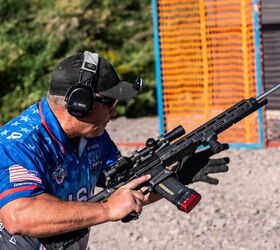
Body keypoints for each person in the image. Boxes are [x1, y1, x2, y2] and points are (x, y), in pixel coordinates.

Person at [0, 50, 229, 249]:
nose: (115, 112)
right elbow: (19, 216)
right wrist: (107, 210)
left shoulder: (93, 134)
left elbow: (125, 190)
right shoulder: (19, 143)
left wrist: (175, 176)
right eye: (110, 103)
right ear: (80, 103)